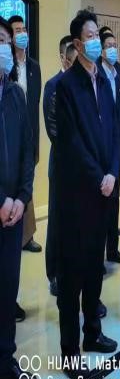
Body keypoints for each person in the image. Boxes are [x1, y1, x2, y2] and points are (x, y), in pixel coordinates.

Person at [55, 10, 120, 378]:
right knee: (72, 275)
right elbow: (71, 142)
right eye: (91, 36)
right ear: (78, 44)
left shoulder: (105, 81)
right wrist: (99, 176)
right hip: (78, 195)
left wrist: (112, 171)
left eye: (98, 34)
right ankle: (70, 351)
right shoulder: (67, 86)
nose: (97, 41)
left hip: (104, 192)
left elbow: (114, 132)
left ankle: (93, 333)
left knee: (95, 268)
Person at [0, 17, 36, 379]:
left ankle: (5, 359)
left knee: (8, 285)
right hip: (1, 205)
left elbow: (27, 149)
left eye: (6, 41)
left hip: (13, 210)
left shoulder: (15, 94)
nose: (4, 47)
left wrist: (23, 197)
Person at [7, 15, 41, 255]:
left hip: (29, 134)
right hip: (10, 134)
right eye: (17, 30)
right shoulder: (6, 65)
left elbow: (34, 103)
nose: (22, 34)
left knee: (27, 183)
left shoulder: (33, 67)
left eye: (23, 29)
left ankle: (27, 236)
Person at [43, 35, 73, 296]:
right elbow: (54, 131)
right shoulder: (53, 85)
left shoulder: (83, 85)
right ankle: (53, 273)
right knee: (56, 222)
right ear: (63, 57)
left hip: (83, 170)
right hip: (63, 165)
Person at [98, 30, 120, 265]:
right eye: (108, 45)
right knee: (101, 202)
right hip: (101, 142)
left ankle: (113, 250)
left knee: (115, 199)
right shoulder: (97, 73)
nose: (112, 49)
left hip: (117, 140)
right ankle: (98, 255)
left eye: (114, 44)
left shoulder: (118, 73)